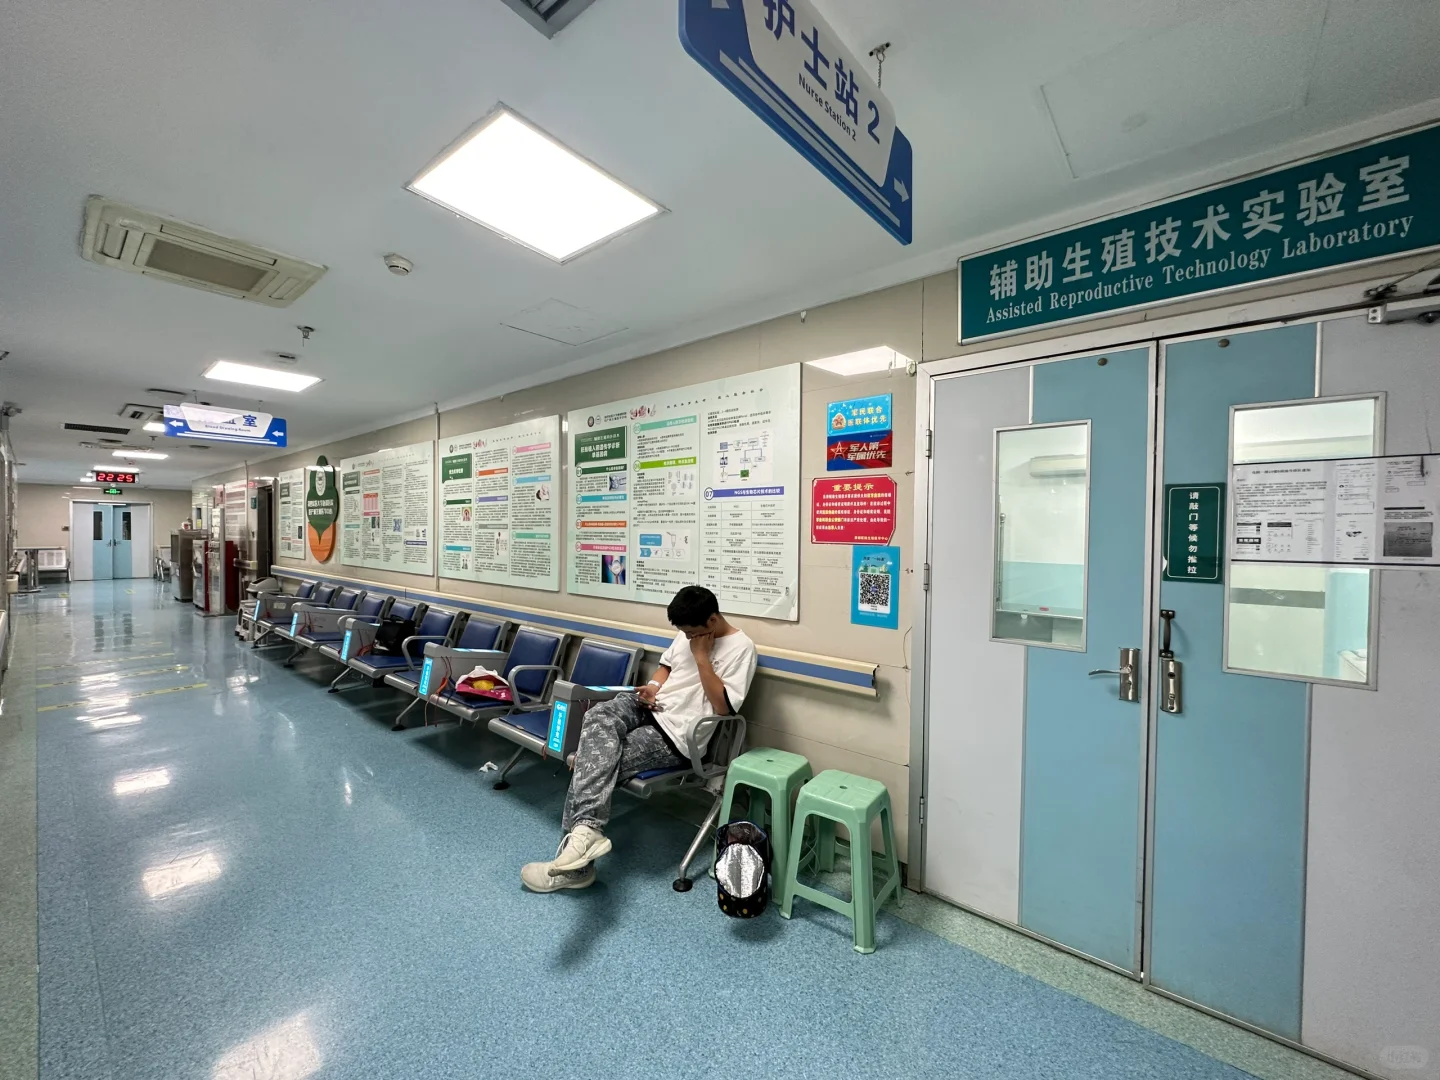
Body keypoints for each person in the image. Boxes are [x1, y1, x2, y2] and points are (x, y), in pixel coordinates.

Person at [521, 585, 757, 892]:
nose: (687, 638)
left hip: (676, 734)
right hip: (651, 707)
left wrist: (702, 658)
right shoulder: (688, 633)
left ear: (712, 621)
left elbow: (724, 708)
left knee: (593, 762)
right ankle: (585, 839)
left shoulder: (742, 649)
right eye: (684, 633)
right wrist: (653, 688)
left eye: (691, 633)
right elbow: (666, 667)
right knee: (600, 715)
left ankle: (577, 862)